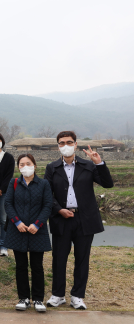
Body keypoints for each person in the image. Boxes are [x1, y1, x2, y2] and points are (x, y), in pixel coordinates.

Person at [44, 131, 114, 310]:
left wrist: (99, 163)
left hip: (84, 219)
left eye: (69, 142)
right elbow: (47, 194)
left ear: (75, 144)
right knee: (59, 258)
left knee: (82, 258)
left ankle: (77, 296)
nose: (65, 146)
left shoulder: (88, 165)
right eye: (61, 143)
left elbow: (107, 183)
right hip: (61, 218)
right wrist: (59, 210)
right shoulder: (52, 167)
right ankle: (58, 295)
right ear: (58, 146)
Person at [4, 154, 52, 313]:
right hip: (18, 230)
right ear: (18, 167)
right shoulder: (14, 183)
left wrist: (37, 224)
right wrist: (17, 222)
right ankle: (23, 298)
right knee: (21, 266)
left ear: (35, 165)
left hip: (37, 230)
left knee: (37, 266)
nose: (25, 167)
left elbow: (47, 205)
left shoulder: (43, 183)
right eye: (22, 164)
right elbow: (8, 204)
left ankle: (38, 299)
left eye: (28, 163)